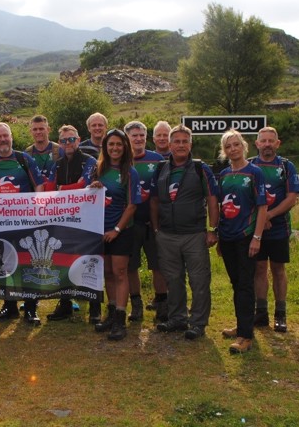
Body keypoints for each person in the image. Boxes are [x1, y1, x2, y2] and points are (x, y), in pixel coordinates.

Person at [149, 125, 219, 340]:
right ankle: (178, 318)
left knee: (199, 281)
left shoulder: (201, 169)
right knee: (173, 279)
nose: (180, 145)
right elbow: (153, 200)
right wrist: (156, 228)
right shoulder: (160, 169)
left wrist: (212, 229)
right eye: (176, 141)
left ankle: (198, 323)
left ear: (190, 144)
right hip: (167, 235)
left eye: (184, 141)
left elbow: (212, 199)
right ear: (169, 145)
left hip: (194, 234)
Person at [0, 122, 45, 325]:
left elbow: (39, 186)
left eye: (5, 136)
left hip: (25, 223)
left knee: (27, 265)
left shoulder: (24, 159)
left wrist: (36, 210)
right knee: (4, 266)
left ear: (11, 137)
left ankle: (31, 308)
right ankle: (9, 306)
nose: (2, 140)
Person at [216, 129, 268, 354]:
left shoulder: (255, 173)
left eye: (236, 144)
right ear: (224, 151)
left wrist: (256, 237)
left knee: (246, 284)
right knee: (236, 284)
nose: (233, 149)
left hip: (246, 237)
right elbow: (220, 207)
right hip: (227, 237)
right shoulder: (224, 174)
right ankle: (242, 325)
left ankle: (246, 336)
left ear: (244, 146)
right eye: (228, 146)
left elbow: (262, 206)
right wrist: (218, 236)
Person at [89, 128, 141, 341]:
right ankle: (111, 313)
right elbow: (88, 196)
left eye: (119, 144)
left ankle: (120, 319)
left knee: (120, 273)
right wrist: (93, 186)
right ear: (105, 147)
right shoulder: (98, 168)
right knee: (108, 272)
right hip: (100, 231)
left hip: (121, 231)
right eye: (111, 144)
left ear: (125, 147)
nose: (115, 148)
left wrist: (117, 230)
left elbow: (132, 207)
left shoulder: (129, 172)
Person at [44, 125, 97, 323]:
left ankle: (94, 308)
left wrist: (60, 188)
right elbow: (49, 188)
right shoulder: (56, 163)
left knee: (88, 261)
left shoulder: (89, 160)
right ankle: (65, 304)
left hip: (86, 220)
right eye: (64, 140)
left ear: (78, 139)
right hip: (62, 220)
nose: (68, 144)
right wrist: (59, 189)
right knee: (62, 262)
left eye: (71, 139)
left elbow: (82, 185)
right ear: (60, 143)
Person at [250, 126, 299, 333]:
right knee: (259, 269)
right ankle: (260, 313)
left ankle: (281, 314)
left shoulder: (287, 166)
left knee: (278, 270)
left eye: (271, 140)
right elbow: (245, 197)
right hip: (255, 229)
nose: (267, 144)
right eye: (264, 141)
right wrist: (260, 219)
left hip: (279, 227)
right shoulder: (250, 166)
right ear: (257, 144)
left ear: (277, 144)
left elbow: (292, 198)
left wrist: (269, 215)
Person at [123, 121, 166, 322]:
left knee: (158, 265)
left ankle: (162, 302)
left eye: (141, 135)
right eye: (134, 136)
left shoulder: (158, 160)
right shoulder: (120, 161)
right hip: (129, 224)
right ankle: (136, 305)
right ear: (127, 139)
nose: (138, 139)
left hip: (153, 224)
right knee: (130, 267)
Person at [25, 115, 61, 188]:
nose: (38, 132)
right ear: (30, 131)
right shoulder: (26, 154)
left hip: (56, 196)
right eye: (35, 129)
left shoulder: (59, 150)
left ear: (48, 130)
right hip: (35, 197)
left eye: (41, 129)